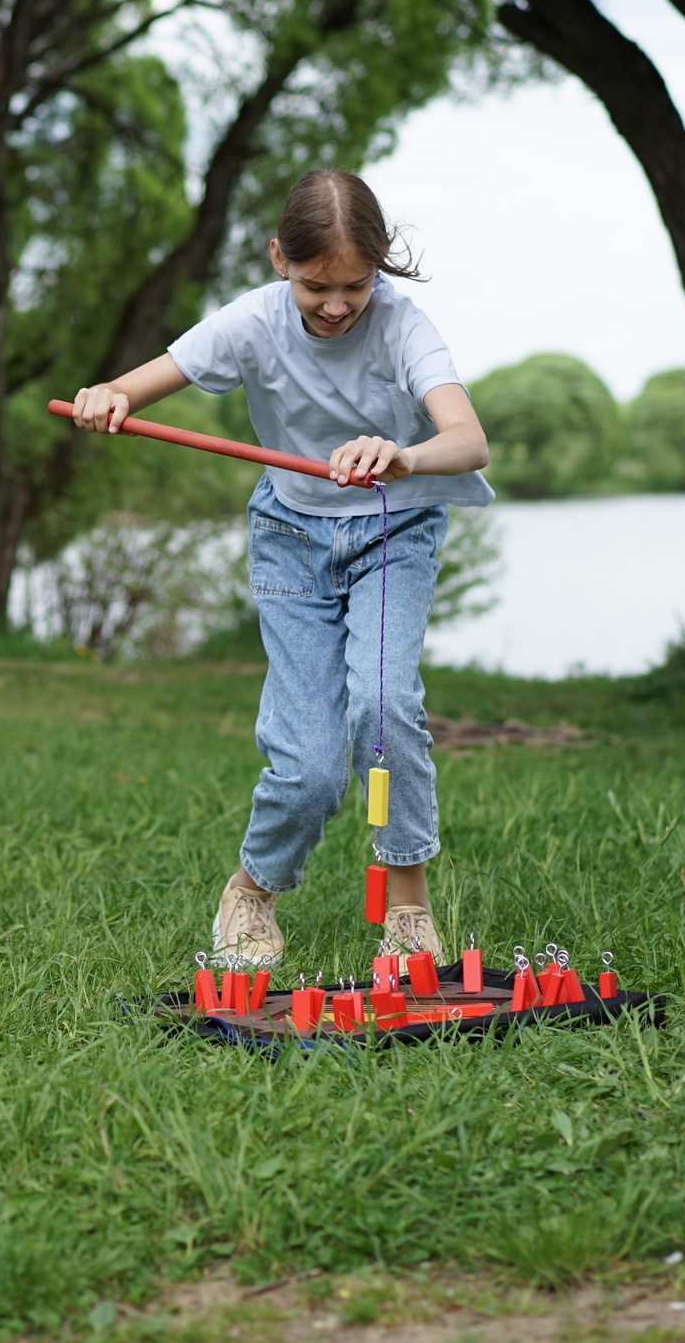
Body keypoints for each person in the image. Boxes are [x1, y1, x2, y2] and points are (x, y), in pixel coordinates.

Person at [67, 169, 493, 969]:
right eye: (315, 286)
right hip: (292, 538)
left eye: (356, 286)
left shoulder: (403, 326)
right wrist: (107, 396)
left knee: (382, 703)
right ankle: (254, 886)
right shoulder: (251, 323)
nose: (336, 305)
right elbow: (138, 384)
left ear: (381, 267)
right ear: (277, 260)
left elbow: (468, 440)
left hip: (392, 531)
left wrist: (402, 453)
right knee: (307, 765)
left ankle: (406, 903)